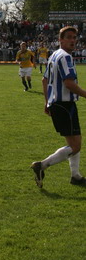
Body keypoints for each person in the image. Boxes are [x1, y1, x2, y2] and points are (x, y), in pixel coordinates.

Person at [31, 26, 86, 188]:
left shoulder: (54, 55)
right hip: (65, 105)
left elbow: (44, 80)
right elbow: (69, 83)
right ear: (60, 40)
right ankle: (42, 165)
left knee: (75, 142)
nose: (72, 40)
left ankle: (75, 176)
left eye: (74, 37)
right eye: (68, 37)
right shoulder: (66, 57)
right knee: (75, 146)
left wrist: (47, 102)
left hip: (57, 104)